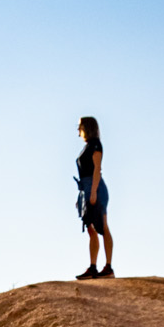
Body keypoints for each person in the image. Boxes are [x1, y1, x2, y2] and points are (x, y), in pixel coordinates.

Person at [74, 115, 113, 279]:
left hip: (95, 187)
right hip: (86, 187)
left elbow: (97, 169)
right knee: (90, 229)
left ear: (87, 128)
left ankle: (108, 267)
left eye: (80, 127)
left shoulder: (96, 145)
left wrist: (93, 192)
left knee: (102, 226)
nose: (78, 131)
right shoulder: (87, 147)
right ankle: (92, 267)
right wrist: (81, 197)